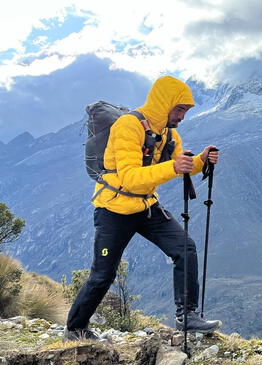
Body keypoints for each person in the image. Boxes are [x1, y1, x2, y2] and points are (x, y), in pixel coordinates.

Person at [64, 75, 222, 340]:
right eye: (180, 109)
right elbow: (129, 178)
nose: (182, 116)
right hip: (113, 210)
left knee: (185, 248)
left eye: (186, 110)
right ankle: (75, 329)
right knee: (103, 274)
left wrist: (201, 160)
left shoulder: (169, 134)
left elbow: (181, 163)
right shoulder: (128, 126)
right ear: (164, 103)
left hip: (146, 207)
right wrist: (173, 167)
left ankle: (187, 316)